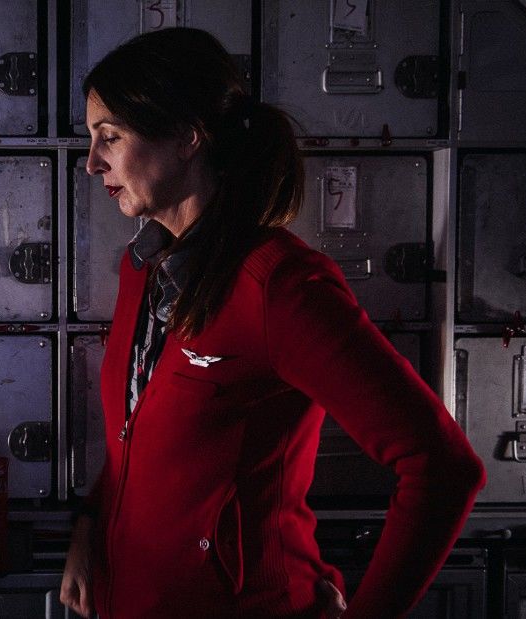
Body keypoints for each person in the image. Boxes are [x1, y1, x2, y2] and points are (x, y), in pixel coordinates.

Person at [59, 28, 486, 619]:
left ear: (186, 137)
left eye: (110, 137)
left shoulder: (281, 287)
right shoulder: (145, 268)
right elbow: (135, 436)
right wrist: (89, 525)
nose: (91, 163)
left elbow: (443, 466)